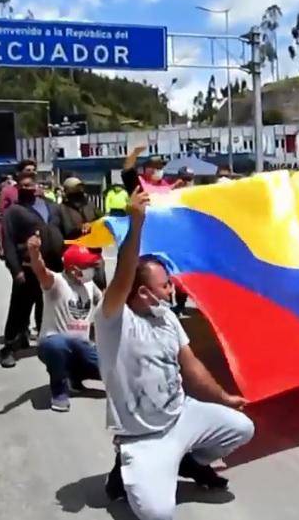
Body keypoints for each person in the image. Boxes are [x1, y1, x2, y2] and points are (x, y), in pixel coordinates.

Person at [97, 187, 254, 519]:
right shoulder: (114, 319)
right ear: (142, 292)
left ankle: (190, 462)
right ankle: (125, 473)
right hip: (143, 437)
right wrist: (136, 225)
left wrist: (224, 398)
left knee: (242, 427)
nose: (173, 289)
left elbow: (190, 365)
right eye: (165, 285)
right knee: (158, 514)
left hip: (181, 416)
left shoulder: (167, 317)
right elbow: (122, 278)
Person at [26, 232, 102, 411]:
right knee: (57, 345)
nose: (92, 269)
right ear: (74, 269)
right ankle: (59, 391)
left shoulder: (90, 286)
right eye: (88, 266)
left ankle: (75, 377)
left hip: (82, 347)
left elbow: (107, 304)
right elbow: (40, 270)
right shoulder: (57, 283)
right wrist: (34, 253)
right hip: (54, 344)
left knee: (112, 371)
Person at [0, 172, 64, 368]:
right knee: (20, 309)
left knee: (50, 308)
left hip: (52, 266)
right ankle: (9, 348)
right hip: (27, 267)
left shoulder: (52, 206)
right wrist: (15, 269)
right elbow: (8, 242)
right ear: (18, 188)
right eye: (24, 185)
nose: (29, 188)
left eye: (31, 184)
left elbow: (66, 229)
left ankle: (50, 345)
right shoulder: (14, 211)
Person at [58, 177, 107, 290]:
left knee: (100, 288)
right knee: (76, 289)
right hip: (74, 254)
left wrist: (93, 225)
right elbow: (67, 230)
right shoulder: (62, 209)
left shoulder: (90, 205)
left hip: (94, 252)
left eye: (81, 188)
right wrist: (81, 228)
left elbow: (103, 220)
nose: (80, 192)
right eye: (76, 189)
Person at [0, 161, 37, 257]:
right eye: (28, 170)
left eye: (34, 170)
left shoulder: (39, 192)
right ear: (18, 173)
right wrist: (1, 246)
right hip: (18, 245)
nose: (32, 172)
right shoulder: (7, 192)